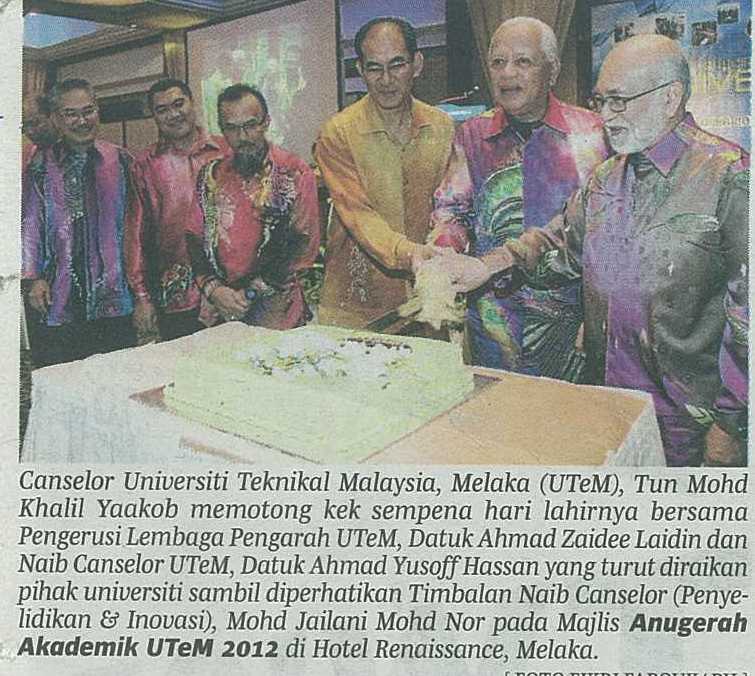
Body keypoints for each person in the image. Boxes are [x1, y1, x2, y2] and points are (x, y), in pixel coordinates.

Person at [433, 35, 749, 467]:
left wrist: (731, 424)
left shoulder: (729, 176)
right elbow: (557, 243)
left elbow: (747, 315)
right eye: (601, 101)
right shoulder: (607, 177)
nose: (606, 116)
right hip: (609, 404)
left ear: (670, 98)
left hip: (689, 423)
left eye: (619, 101)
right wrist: (484, 267)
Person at [430, 17, 608, 379]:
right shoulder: (473, 134)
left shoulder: (593, 135)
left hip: (571, 326)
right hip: (494, 324)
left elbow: (609, 234)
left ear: (552, 70)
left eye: (523, 61)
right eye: (498, 62)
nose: (507, 73)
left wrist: (600, 313)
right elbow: (451, 210)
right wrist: (445, 252)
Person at [314, 17, 454, 330]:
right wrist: (410, 253)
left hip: (427, 303)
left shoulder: (442, 127)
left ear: (417, 64)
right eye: (374, 68)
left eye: (397, 64)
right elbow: (359, 215)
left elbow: (450, 207)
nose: (386, 80)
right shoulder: (338, 133)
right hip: (354, 308)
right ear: (360, 69)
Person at [185, 84, 319, 330]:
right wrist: (215, 290)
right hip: (221, 310)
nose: (243, 137)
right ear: (221, 128)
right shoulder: (210, 176)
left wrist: (248, 294)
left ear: (266, 122)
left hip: (278, 313)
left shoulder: (294, 172)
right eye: (232, 128)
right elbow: (194, 239)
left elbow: (302, 246)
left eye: (250, 125)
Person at [22, 78, 135, 367]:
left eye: (88, 111)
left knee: (117, 376)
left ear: (98, 110)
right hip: (59, 294)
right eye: (71, 114)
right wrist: (33, 279)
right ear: (56, 118)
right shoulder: (41, 165)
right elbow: (31, 224)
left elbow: (136, 226)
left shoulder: (120, 160)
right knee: (64, 376)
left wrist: (141, 288)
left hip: (114, 293)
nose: (82, 121)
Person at [125, 78, 227, 343]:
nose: (173, 114)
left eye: (179, 104)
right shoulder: (145, 165)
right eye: (162, 110)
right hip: (176, 296)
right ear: (154, 116)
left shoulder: (226, 152)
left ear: (193, 103)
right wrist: (141, 297)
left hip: (231, 292)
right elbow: (136, 236)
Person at [22, 93, 57, 169]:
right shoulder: (30, 154)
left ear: (52, 116)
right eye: (24, 126)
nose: (29, 131)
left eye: (35, 123)